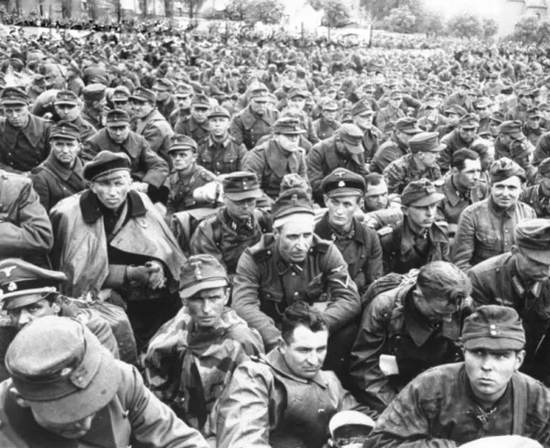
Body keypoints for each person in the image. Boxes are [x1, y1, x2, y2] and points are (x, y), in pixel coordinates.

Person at [0, 316, 209, 447]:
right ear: (21, 398)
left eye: (92, 403)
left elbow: (179, 441)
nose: (84, 423)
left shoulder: (122, 381)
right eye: (66, 412)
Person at [49, 151, 185, 349]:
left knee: (173, 300)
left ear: (130, 183)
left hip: (142, 290)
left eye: (119, 183)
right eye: (104, 184)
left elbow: (162, 245)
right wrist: (130, 273)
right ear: (92, 186)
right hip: (98, 292)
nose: (112, 192)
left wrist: (158, 265)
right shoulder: (69, 214)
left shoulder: (141, 202)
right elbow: (75, 274)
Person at [363, 305, 550, 448]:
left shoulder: (537, 399)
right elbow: (378, 443)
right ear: (464, 352)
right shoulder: (429, 386)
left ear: (519, 360)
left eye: (501, 356)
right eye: (478, 352)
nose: (487, 366)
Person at [232, 187, 361, 381]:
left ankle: (336, 383)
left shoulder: (325, 251)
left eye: (307, 235)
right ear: (276, 233)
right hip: (274, 332)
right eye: (292, 237)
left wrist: (317, 326)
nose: (301, 245)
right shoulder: (254, 258)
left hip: (315, 330)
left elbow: (349, 298)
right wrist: (278, 339)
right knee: (242, 335)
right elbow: (243, 305)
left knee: (348, 332)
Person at [215, 302, 374, 448]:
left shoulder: (329, 381)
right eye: (304, 350)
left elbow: (368, 423)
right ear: (282, 346)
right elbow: (243, 442)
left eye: (320, 349)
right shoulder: (254, 377)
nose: (314, 361)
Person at [144, 254, 263, 434]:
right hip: (177, 427)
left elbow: (254, 405)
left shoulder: (242, 341)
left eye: (214, 298)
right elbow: (156, 392)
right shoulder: (170, 335)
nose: (206, 309)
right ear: (184, 300)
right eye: (197, 299)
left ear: (226, 296)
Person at [350, 261, 472, 414]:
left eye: (452, 313)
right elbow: (366, 372)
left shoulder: (460, 304)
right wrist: (402, 411)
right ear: (417, 297)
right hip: (394, 387)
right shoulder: (384, 308)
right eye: (438, 313)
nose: (448, 319)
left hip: (441, 385)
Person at [0, 258, 120, 382]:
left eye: (33, 309)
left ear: (57, 304)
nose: (22, 320)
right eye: (15, 311)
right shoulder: (5, 335)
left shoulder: (91, 329)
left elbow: (106, 382)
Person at [468, 219, 550, 385]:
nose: (547, 271)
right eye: (538, 263)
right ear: (515, 251)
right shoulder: (482, 278)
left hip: (538, 361)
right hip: (494, 362)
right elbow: (477, 336)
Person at [452, 158, 536, 272]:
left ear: (522, 188)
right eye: (500, 187)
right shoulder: (471, 215)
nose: (505, 194)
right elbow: (461, 264)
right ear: (490, 186)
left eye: (512, 188)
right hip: (480, 280)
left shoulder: (528, 214)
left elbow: (531, 257)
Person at [314, 168, 383, 295]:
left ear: (359, 204)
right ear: (325, 201)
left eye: (347, 204)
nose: (339, 211)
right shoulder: (312, 236)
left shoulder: (369, 236)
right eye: (335, 202)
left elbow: (374, 283)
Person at [190, 172, 271, 277]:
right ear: (224, 198)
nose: (246, 206)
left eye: (250, 200)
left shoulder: (263, 219)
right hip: (229, 283)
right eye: (239, 201)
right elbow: (215, 276)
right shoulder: (209, 230)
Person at [82, 109, 169, 203]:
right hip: (108, 188)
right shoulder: (93, 143)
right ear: (106, 127)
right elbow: (88, 173)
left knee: (164, 184)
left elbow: (159, 164)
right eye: (113, 129)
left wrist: (146, 183)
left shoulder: (138, 140)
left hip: (137, 186)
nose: (118, 133)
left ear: (129, 126)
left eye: (122, 128)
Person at [378, 178, 449, 274]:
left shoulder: (440, 234)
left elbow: (446, 272)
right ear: (405, 210)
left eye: (433, 206)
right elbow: (381, 277)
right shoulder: (389, 239)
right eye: (422, 208)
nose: (430, 213)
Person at [243, 117, 308, 201]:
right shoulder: (258, 155)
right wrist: (276, 205)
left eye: (297, 135)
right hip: (266, 202)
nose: (294, 139)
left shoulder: (299, 155)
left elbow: (305, 186)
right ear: (276, 137)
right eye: (289, 135)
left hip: (292, 201)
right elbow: (252, 189)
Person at [30, 120, 88, 211]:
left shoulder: (88, 168)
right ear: (51, 146)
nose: (65, 150)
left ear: (79, 147)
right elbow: (40, 214)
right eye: (59, 145)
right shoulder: (40, 176)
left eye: (70, 145)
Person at [307, 123, 369, 204]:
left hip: (353, 197)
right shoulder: (318, 152)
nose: (351, 152)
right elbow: (315, 184)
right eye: (348, 148)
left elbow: (363, 174)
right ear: (338, 141)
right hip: (325, 199)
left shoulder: (356, 151)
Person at [436, 148, 489, 236]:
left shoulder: (481, 188)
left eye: (478, 171)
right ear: (454, 171)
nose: (476, 177)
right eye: (470, 172)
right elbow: (438, 231)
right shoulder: (438, 193)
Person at [0, 87, 51, 173]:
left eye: (18, 110)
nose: (14, 116)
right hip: (10, 176)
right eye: (9, 111)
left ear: (28, 109)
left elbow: (52, 158)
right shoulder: (1, 128)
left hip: (40, 175)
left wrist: (33, 174)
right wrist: (17, 175)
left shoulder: (45, 127)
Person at [166, 134, 218, 217]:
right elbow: (171, 205)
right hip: (178, 220)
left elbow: (216, 210)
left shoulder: (207, 180)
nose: (177, 159)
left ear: (194, 157)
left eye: (183, 155)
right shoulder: (173, 177)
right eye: (174, 155)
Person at [196, 105, 247, 176]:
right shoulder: (200, 147)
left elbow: (243, 174)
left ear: (228, 124)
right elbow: (196, 173)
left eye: (221, 120)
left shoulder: (239, 147)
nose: (217, 124)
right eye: (214, 121)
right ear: (208, 124)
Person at [130, 86, 174, 160]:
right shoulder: (140, 118)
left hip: (161, 164)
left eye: (141, 104)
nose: (137, 107)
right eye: (135, 103)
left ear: (152, 106)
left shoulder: (156, 126)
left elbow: (142, 154)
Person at [230, 85, 279, 150]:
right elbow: (237, 146)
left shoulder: (275, 115)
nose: (262, 105)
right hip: (248, 153)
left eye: (264, 102)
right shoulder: (239, 119)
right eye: (258, 102)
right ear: (250, 100)